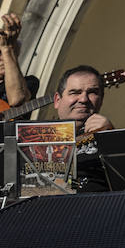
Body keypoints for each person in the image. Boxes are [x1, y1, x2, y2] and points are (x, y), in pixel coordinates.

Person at [50, 64, 116, 192]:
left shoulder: (110, 134)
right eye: (75, 92)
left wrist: (112, 137)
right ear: (57, 100)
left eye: (92, 93)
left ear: (101, 100)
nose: (84, 99)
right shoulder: (35, 136)